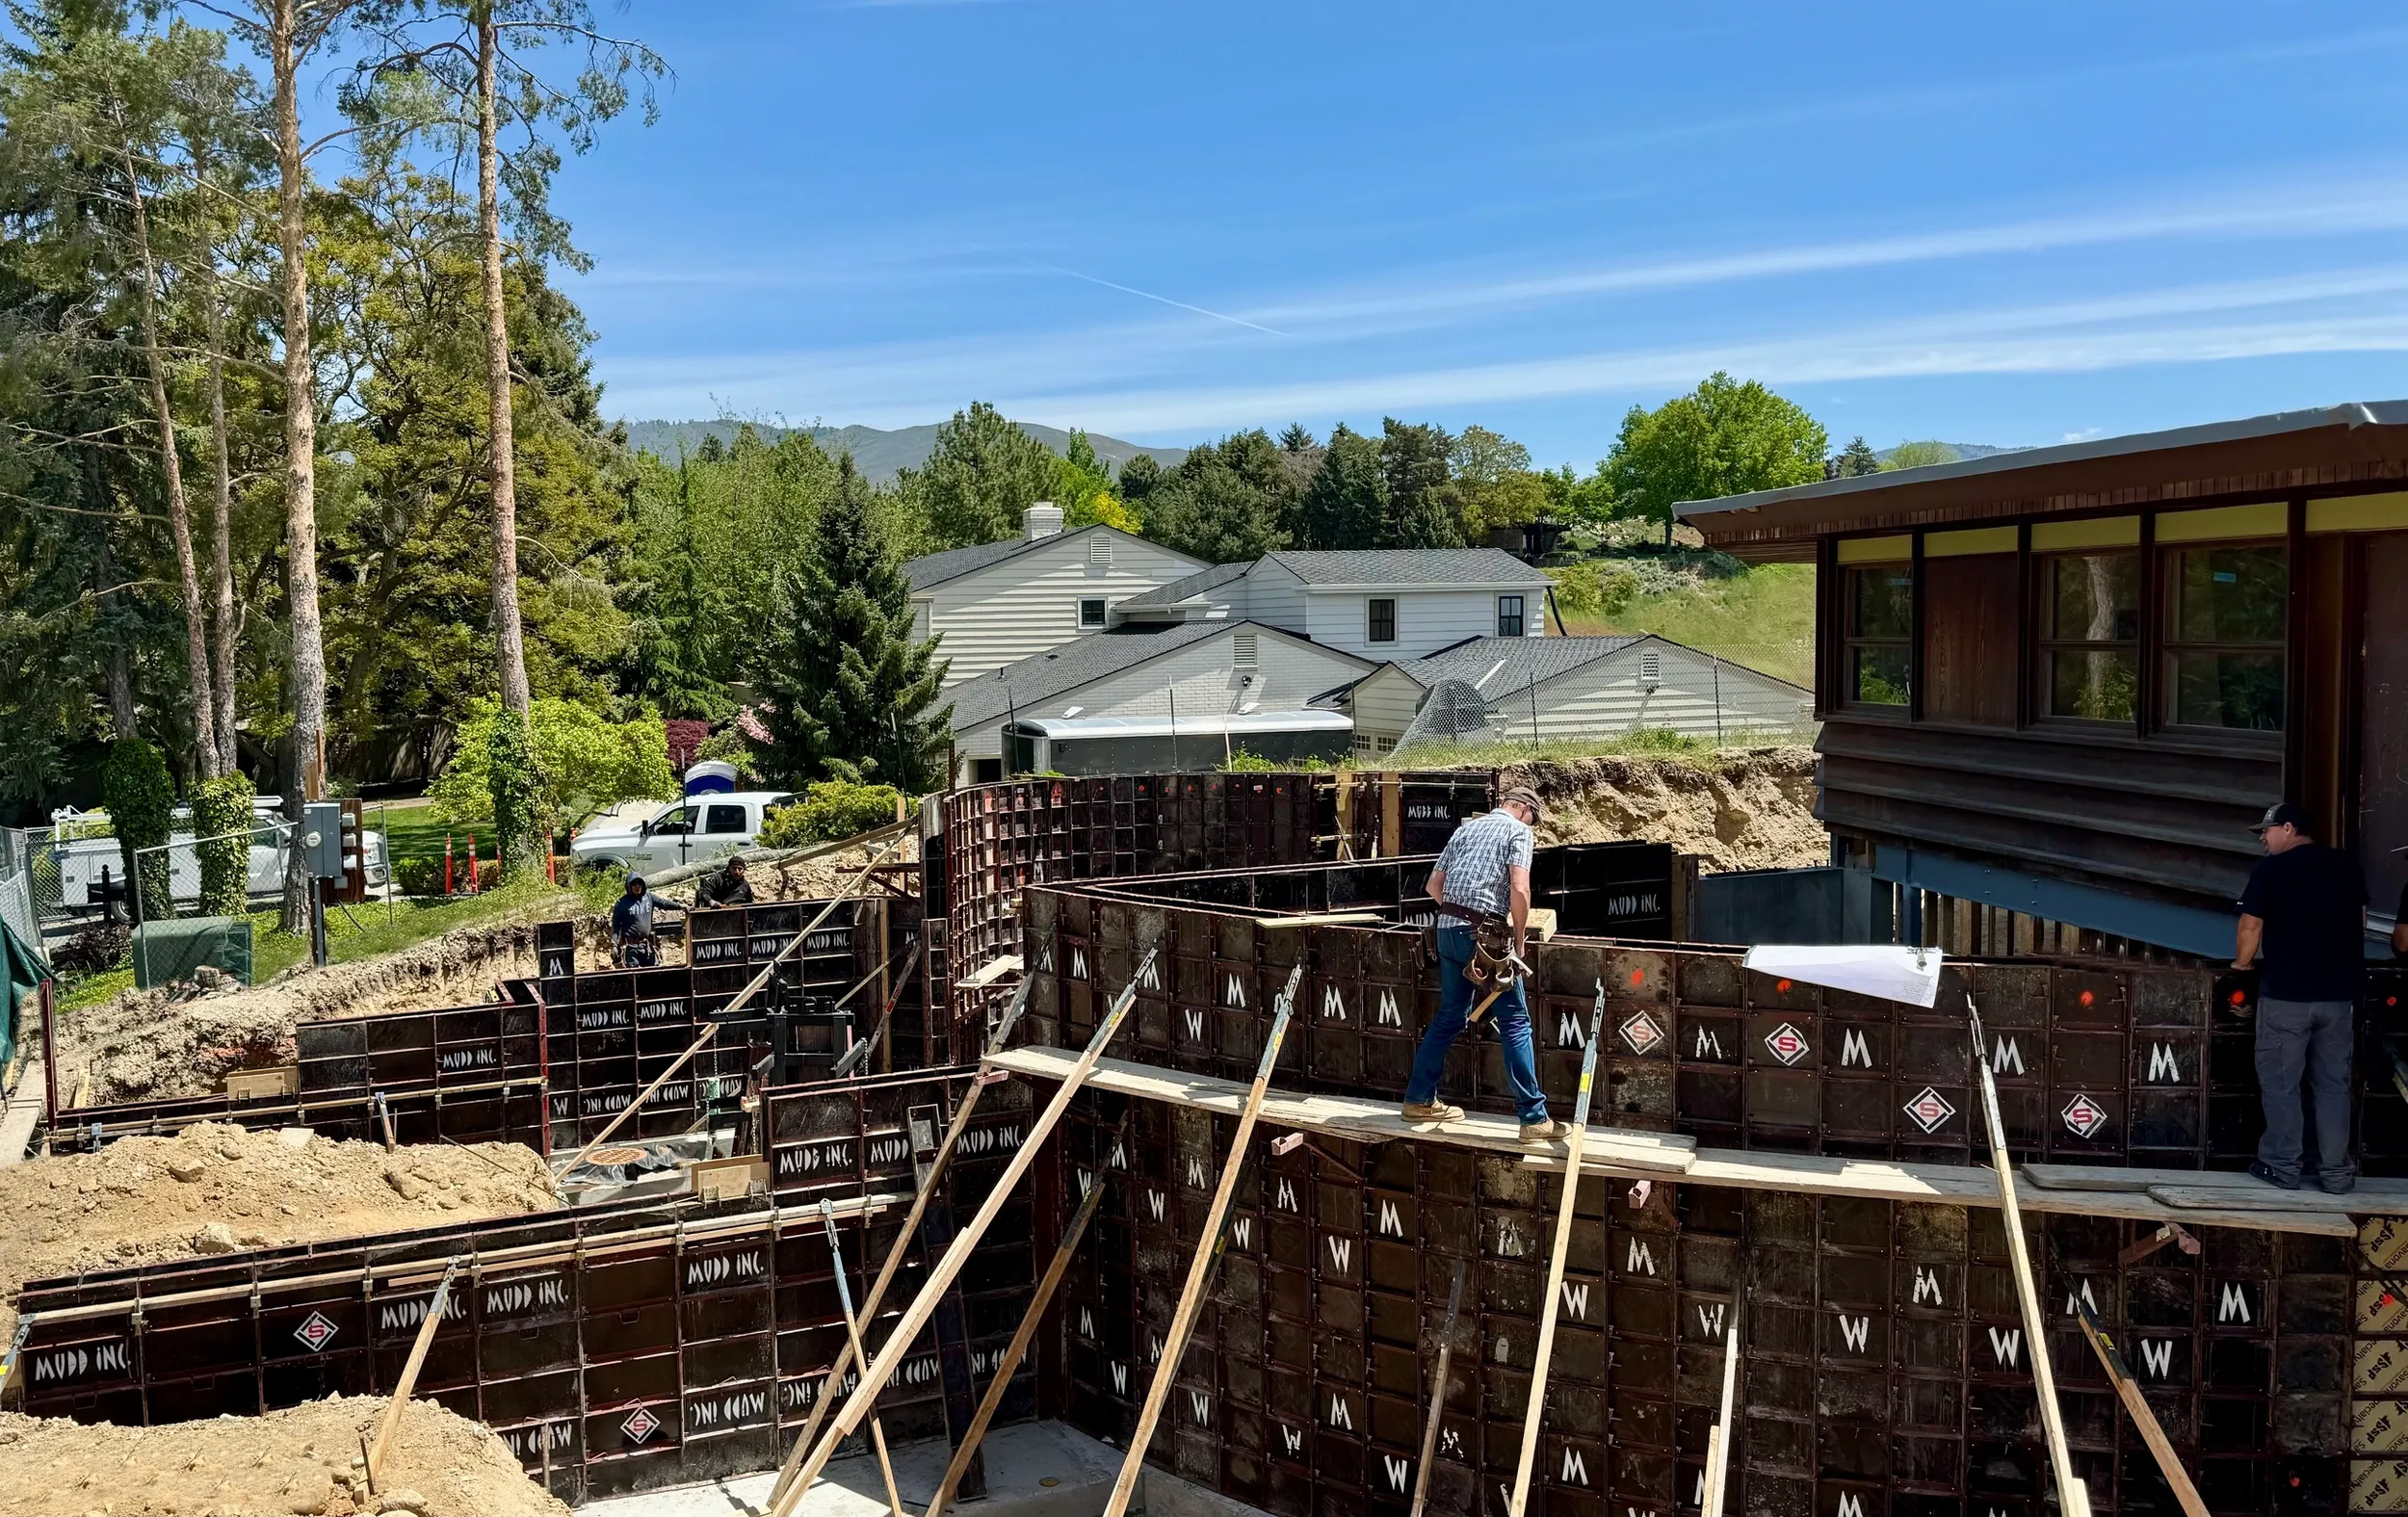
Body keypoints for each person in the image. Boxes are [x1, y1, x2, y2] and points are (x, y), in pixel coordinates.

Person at [1400, 786, 1567, 1142]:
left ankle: (1418, 1100)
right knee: (1516, 1022)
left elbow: (1433, 885)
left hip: (1446, 930)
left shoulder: (1465, 829)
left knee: (1450, 1014)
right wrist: (1518, 938)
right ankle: (1534, 1118)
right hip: (1485, 938)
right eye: (1533, 818)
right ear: (1523, 809)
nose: (1532, 825)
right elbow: (1520, 889)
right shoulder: (1518, 831)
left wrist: (1461, 917)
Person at [2233, 801, 2366, 1194]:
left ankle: (2282, 1166)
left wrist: (2241, 966)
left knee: (2281, 1083)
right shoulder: (2347, 867)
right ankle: (2337, 1174)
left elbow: (2250, 924)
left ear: (2288, 829)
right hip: (2339, 997)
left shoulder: (2271, 869)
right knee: (2333, 1085)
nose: (2263, 838)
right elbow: (2358, 922)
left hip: (2287, 996)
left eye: (2267, 831)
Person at [612, 875, 661, 967]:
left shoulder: (649, 897)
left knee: (654, 974)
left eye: (639, 883)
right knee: (633, 976)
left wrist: (681, 906)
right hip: (631, 949)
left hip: (647, 947)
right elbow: (616, 926)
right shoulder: (621, 903)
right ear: (629, 886)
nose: (637, 886)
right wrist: (614, 945)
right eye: (634, 884)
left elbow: (664, 903)